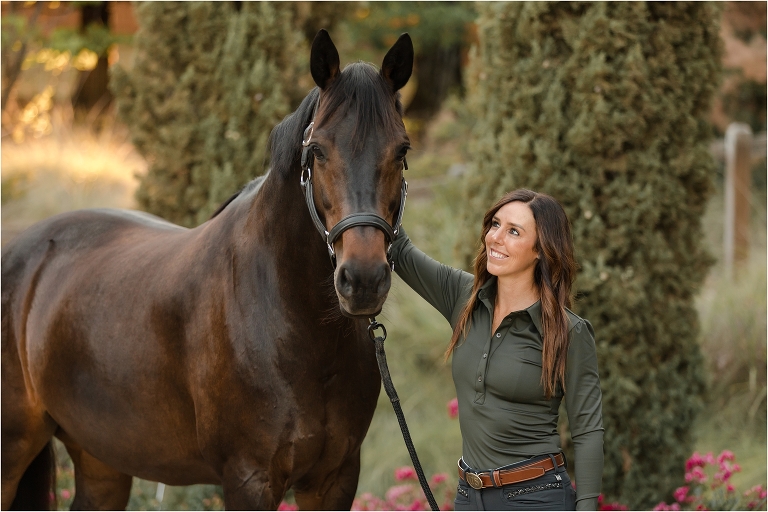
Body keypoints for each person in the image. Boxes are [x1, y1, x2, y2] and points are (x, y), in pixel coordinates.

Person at [391, 189, 603, 511]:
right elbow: (398, 249)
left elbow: (588, 432)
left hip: (535, 497)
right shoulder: (463, 297)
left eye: (514, 231)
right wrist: (378, 178)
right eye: (495, 224)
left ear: (540, 250)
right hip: (469, 496)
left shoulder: (568, 332)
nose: (495, 238)